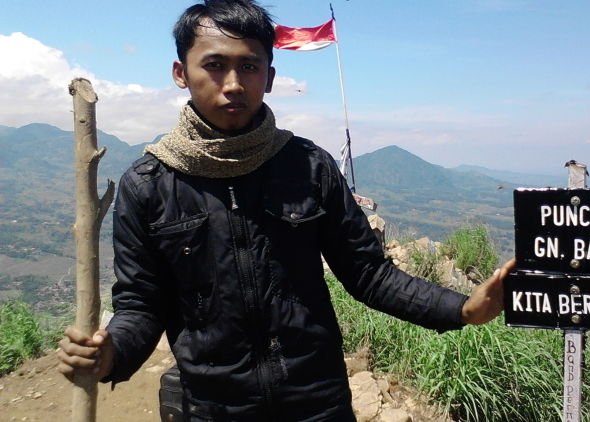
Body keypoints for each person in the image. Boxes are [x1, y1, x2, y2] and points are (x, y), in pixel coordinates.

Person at [57, 0, 516, 420]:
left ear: (269, 77)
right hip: (214, 406)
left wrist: (462, 309)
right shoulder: (150, 184)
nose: (234, 84)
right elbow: (142, 303)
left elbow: (368, 274)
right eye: (214, 66)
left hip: (316, 400)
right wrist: (110, 353)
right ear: (181, 72)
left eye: (249, 67)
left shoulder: (307, 166)